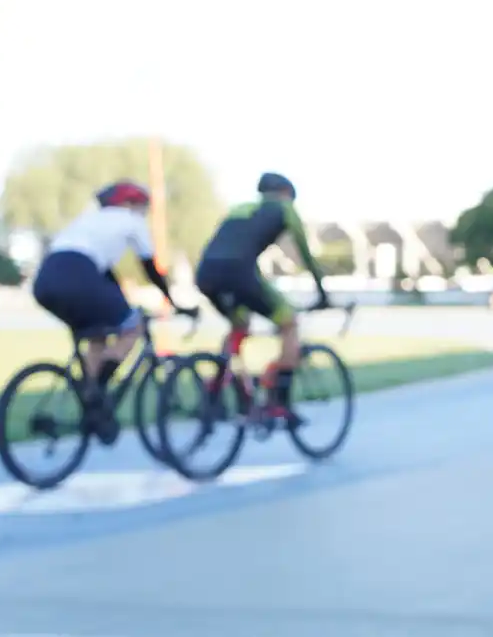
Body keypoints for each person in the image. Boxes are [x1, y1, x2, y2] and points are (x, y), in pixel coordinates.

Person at [32, 180, 193, 442]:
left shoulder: (89, 222)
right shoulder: (130, 221)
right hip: (79, 274)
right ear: (131, 204)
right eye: (143, 208)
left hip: (46, 280)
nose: (143, 213)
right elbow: (150, 267)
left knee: (97, 335)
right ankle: (98, 389)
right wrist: (172, 300)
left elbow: (107, 277)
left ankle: (91, 403)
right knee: (133, 326)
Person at [195, 171, 330, 419]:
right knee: (289, 324)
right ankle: (279, 400)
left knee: (239, 325)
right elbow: (306, 257)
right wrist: (323, 294)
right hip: (238, 273)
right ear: (286, 194)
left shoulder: (238, 209)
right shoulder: (285, 209)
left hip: (206, 273)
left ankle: (221, 392)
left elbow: (230, 246)